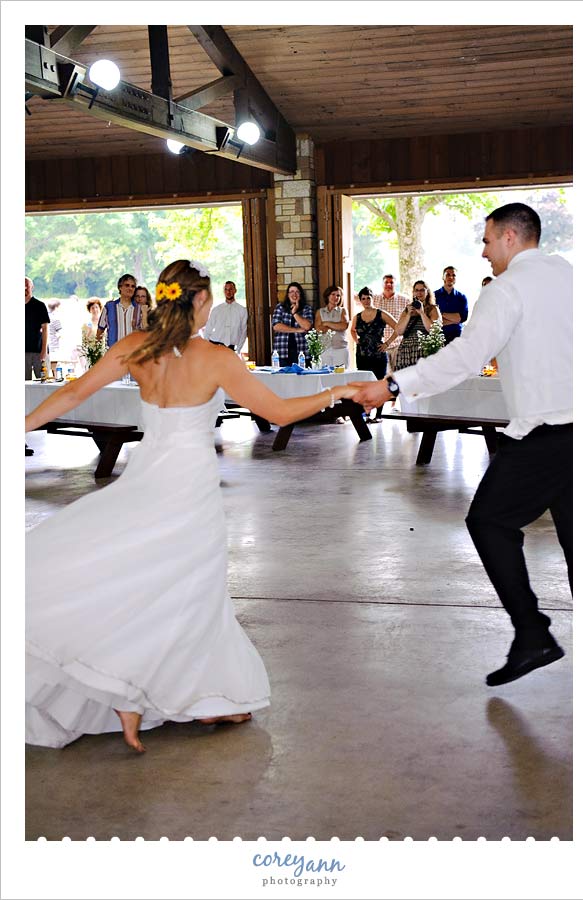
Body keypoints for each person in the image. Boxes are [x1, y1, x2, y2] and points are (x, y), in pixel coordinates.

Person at [25, 259, 358, 753]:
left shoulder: (135, 347)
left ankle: (142, 693)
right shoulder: (216, 358)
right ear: (199, 300)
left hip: (146, 477)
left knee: (145, 581)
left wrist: (18, 426)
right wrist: (341, 390)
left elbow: (73, 392)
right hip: (189, 487)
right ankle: (167, 694)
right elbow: (280, 412)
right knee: (189, 591)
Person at [351, 203, 572, 686]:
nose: (484, 251)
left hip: (545, 437)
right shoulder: (571, 275)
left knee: (489, 520)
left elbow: (467, 357)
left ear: (512, 238)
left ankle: (532, 634)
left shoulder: (508, 288)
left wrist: (391, 386)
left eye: (488, 241)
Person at [350, 286, 401, 423]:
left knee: (380, 384)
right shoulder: (357, 317)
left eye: (368, 298)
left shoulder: (381, 313)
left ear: (373, 298)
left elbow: (398, 328)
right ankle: (366, 413)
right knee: (365, 385)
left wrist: (387, 343)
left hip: (378, 355)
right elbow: (352, 331)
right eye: (363, 298)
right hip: (362, 355)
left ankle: (378, 415)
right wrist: (357, 341)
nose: (366, 301)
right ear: (360, 300)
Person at [25, 276, 50, 456]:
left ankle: (46, 416)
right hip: (21, 354)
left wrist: (43, 352)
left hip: (37, 351)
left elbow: (46, 329)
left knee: (45, 383)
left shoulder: (39, 305)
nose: (24, 288)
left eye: (26, 286)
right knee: (23, 387)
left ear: (31, 287)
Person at [393, 279, 442, 371]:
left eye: (422, 290)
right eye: (416, 290)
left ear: (427, 292)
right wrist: (408, 315)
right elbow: (399, 331)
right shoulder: (407, 310)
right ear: (413, 292)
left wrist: (422, 313)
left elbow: (434, 330)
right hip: (406, 351)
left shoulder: (433, 309)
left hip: (424, 350)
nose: (419, 293)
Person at [372, 274, 410, 371]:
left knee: (398, 374)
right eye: (386, 282)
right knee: (384, 376)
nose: (389, 284)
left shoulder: (405, 300)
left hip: (398, 345)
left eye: (391, 282)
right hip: (380, 346)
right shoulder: (374, 299)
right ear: (382, 284)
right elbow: (357, 297)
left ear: (395, 284)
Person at [272, 282, 314, 366]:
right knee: (283, 378)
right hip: (282, 351)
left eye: (297, 292)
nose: (294, 294)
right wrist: (297, 330)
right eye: (291, 292)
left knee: (302, 378)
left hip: (302, 352)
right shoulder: (280, 307)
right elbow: (276, 326)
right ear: (288, 294)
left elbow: (307, 326)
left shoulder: (306, 308)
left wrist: (294, 313)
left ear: (300, 294)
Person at [95, 273, 138, 348]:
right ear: (120, 287)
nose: (130, 288)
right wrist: (97, 351)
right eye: (127, 285)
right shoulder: (109, 307)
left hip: (133, 354)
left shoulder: (138, 309)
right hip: (113, 353)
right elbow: (100, 330)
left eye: (133, 286)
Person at [204, 280, 248, 353]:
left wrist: (239, 349)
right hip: (215, 345)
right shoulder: (216, 310)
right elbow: (208, 328)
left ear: (235, 291)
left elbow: (243, 331)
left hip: (231, 348)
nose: (228, 292)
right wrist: (207, 346)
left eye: (231, 289)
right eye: (226, 289)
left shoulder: (242, 310)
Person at [314, 285, 350, 369]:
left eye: (338, 295)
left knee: (342, 376)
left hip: (340, 349)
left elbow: (344, 326)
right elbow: (318, 329)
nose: (336, 297)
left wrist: (326, 323)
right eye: (333, 294)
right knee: (325, 377)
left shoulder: (343, 311)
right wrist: (336, 326)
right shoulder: (320, 312)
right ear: (328, 296)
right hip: (324, 349)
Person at [434, 266, 469, 344]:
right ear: (443, 277)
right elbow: (433, 319)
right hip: (438, 338)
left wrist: (441, 314)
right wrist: (454, 319)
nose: (451, 277)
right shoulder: (434, 296)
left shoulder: (462, 297)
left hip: (457, 338)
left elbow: (462, 318)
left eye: (453, 275)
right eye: (448, 275)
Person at [47, 301, 63, 378]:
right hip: (54, 347)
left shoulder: (45, 316)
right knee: (54, 370)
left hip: (46, 347)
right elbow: (60, 333)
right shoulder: (56, 319)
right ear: (56, 308)